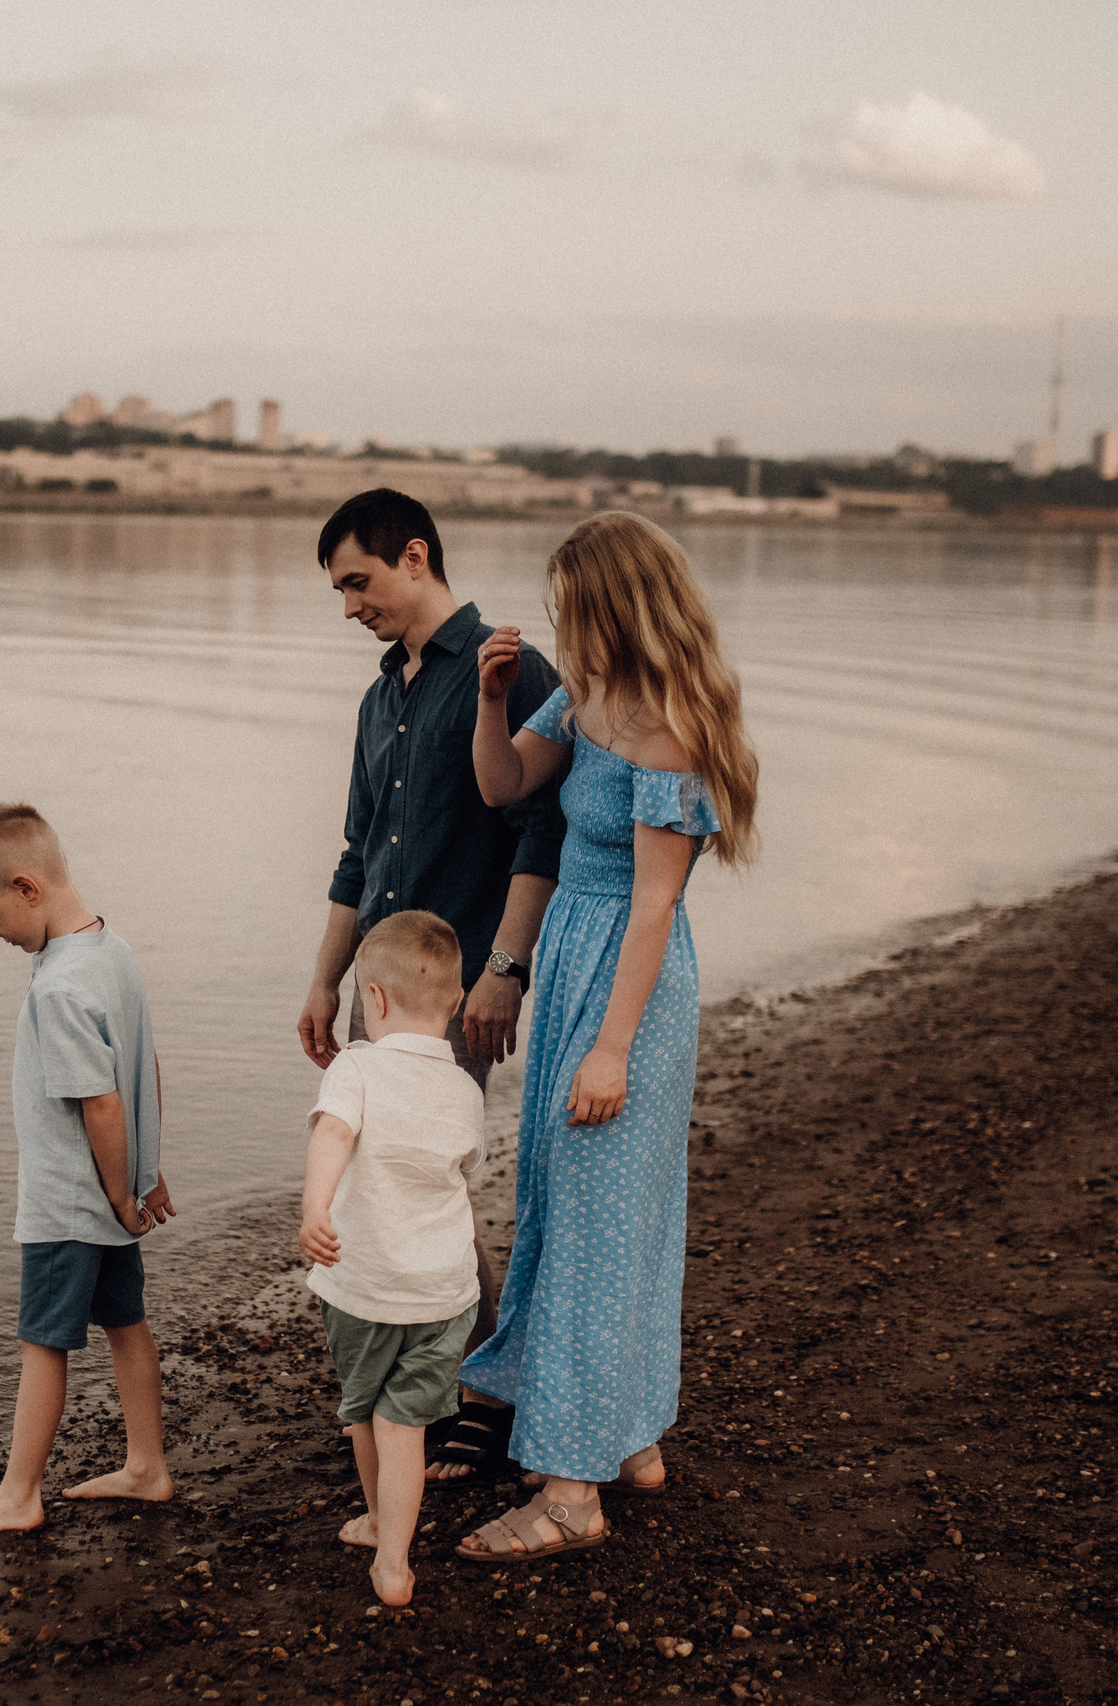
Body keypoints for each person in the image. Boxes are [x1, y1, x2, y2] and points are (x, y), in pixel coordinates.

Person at [451, 512, 760, 1563]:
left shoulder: (668, 726)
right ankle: (626, 1438)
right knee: (575, 1207)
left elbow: (655, 903)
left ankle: (571, 1493)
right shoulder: (583, 697)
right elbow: (501, 786)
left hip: (631, 981)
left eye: (570, 605)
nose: (558, 623)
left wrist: (612, 1047)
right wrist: (491, 698)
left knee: (601, 1221)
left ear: (613, 604)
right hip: (576, 961)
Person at [297, 487, 564, 1482]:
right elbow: (356, 853)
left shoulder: (507, 667)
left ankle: (484, 1391)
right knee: (387, 1181)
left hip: (456, 992)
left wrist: (504, 969)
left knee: (426, 1184)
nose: (349, 605)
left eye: (357, 581)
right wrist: (322, 981)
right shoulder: (382, 697)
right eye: (339, 589)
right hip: (376, 996)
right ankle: (444, 1380)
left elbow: (541, 830)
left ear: (414, 556)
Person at [0, 802, 177, 1537]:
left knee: (42, 1340)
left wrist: (116, 1191)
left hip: (69, 1200)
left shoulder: (59, 987)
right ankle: (147, 1465)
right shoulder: (114, 952)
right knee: (125, 1322)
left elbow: (101, 1102)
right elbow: (145, 1065)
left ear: (27, 887)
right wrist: (145, 1173)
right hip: (111, 1190)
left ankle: (19, 1493)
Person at [297, 911, 489, 1607]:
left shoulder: (356, 1065)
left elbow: (333, 1134)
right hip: (444, 1292)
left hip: (367, 1285)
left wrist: (316, 1209)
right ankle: (396, 1565)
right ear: (457, 1002)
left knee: (365, 1412)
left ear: (372, 998)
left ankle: (381, 1523)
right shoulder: (465, 1089)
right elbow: (463, 1169)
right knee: (405, 1423)